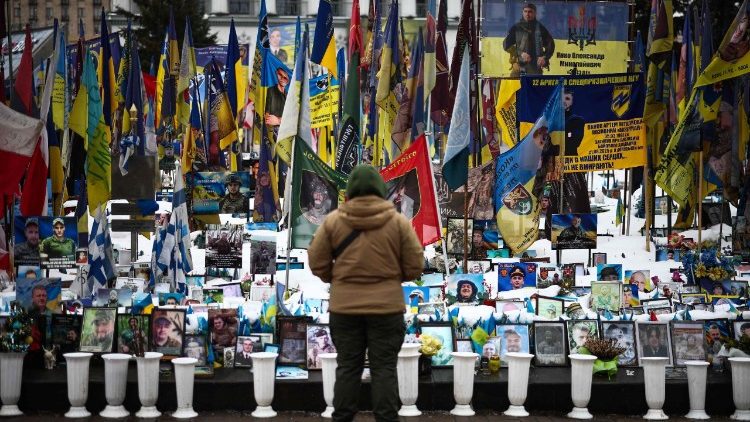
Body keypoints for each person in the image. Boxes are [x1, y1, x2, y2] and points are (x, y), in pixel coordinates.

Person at [307, 164, 424, 422]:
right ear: (380, 190)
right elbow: (415, 265)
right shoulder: (397, 222)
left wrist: (336, 278)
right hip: (386, 309)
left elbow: (316, 261)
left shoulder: (333, 222)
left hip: (345, 309)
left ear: (350, 191)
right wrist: (391, 279)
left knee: (348, 368)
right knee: (384, 369)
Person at [503, 2, 555, 77]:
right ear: (522, 12)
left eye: (530, 12)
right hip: (518, 67)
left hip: (535, 69)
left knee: (534, 88)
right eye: (525, 11)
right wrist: (520, 53)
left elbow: (551, 46)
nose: (527, 14)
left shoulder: (541, 29)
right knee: (514, 88)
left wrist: (544, 57)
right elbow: (506, 45)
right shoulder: (516, 28)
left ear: (535, 13)